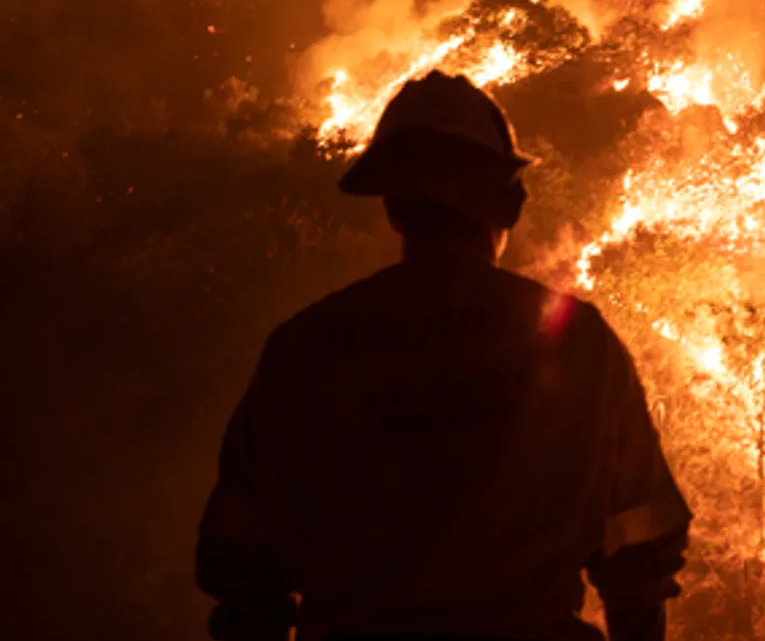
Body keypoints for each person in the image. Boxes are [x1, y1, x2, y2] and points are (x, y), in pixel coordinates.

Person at [196, 72, 692, 641]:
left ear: (392, 208)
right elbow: (641, 554)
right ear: (508, 202)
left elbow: (239, 568)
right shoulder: (578, 343)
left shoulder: (304, 351)